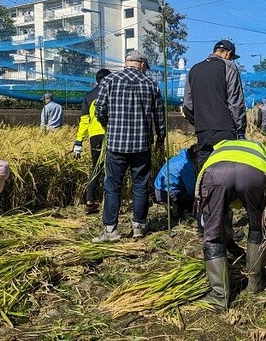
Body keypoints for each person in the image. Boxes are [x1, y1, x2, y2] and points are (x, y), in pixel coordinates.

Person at [197, 139, 266, 310]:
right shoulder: (261, 157)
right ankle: (255, 282)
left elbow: (204, 223)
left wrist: (212, 236)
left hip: (216, 173)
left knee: (212, 235)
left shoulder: (218, 151)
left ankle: (220, 296)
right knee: (258, 226)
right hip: (253, 173)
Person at [92, 50, 165, 243]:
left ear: (127, 63)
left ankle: (110, 230)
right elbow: (159, 116)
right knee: (140, 185)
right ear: (141, 64)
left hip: (116, 144)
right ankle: (138, 226)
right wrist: (160, 139)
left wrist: (109, 125)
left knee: (113, 186)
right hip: (142, 144)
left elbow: (99, 108)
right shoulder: (151, 84)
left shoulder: (110, 81)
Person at [182, 39, 246, 170]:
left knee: (204, 170)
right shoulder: (229, 66)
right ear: (228, 54)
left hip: (202, 130)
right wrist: (240, 130)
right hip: (225, 129)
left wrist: (199, 121)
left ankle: (200, 191)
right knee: (225, 171)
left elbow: (187, 105)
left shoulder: (194, 69)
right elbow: (235, 101)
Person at [72, 68, 111, 213]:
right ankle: (109, 202)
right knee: (111, 169)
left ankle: (89, 201)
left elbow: (84, 121)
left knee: (96, 168)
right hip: (110, 134)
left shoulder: (88, 96)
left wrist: (78, 142)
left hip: (94, 136)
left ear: (96, 80)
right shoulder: (111, 93)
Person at [154, 145, 198, 217]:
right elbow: (192, 189)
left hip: (161, 188)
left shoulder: (182, 158)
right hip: (166, 192)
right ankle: (176, 212)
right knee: (191, 201)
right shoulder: (186, 165)